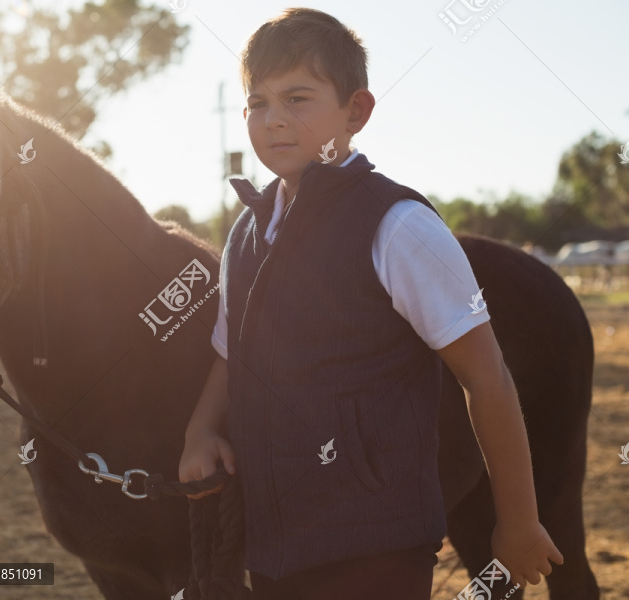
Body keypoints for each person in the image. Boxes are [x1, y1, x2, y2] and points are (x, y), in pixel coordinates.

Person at [178, 7, 563, 600]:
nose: (273, 121)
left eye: (297, 99)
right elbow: (235, 355)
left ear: (355, 111)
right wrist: (200, 430)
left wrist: (518, 522)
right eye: (258, 103)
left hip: (377, 544)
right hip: (275, 539)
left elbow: (487, 379)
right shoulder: (244, 237)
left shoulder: (399, 226)